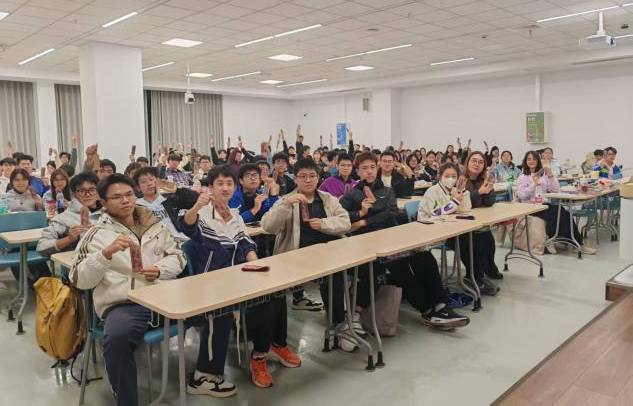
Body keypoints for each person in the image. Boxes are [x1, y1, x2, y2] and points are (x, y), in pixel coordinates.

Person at [179, 165, 300, 390]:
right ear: (210, 187)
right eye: (220, 184)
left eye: (229, 184)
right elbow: (187, 226)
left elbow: (245, 243)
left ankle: (273, 346)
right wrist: (196, 206)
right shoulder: (202, 214)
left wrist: (257, 266)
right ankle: (207, 375)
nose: (225, 188)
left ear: (235, 187)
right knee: (229, 310)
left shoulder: (234, 214)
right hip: (213, 282)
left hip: (239, 276)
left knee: (275, 290)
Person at [70, 174, 186, 406]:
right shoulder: (96, 234)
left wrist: (160, 269)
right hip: (124, 305)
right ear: (104, 202)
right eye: (116, 197)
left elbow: (178, 256)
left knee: (212, 309)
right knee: (117, 339)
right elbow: (78, 279)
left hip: (161, 296)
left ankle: (206, 375)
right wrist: (105, 255)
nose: (125, 200)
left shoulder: (155, 225)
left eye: (129, 194)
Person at [340, 153, 469, 330]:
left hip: (392, 238)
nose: (369, 171)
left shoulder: (386, 191)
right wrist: (360, 213)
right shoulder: (352, 194)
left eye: (372, 167)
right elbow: (342, 218)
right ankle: (427, 311)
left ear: (377, 168)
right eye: (364, 168)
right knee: (400, 269)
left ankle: (441, 306)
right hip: (368, 244)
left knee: (425, 257)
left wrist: (363, 222)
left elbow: (391, 214)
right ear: (358, 171)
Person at [261, 158, 357, 349]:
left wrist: (324, 224)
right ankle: (275, 341)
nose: (308, 180)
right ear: (295, 179)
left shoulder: (328, 199)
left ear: (318, 177)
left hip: (327, 254)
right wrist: (286, 205)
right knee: (275, 293)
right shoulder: (286, 200)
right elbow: (269, 226)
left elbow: (345, 222)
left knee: (336, 277)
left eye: (312, 176)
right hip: (295, 257)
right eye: (303, 176)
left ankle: (338, 325)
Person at [516, 151, 596, 255]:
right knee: (557, 213)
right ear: (525, 161)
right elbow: (522, 195)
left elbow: (555, 190)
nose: (532, 161)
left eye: (534, 159)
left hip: (542, 205)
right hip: (530, 207)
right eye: (529, 159)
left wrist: (549, 173)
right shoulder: (522, 177)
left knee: (565, 213)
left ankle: (577, 243)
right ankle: (551, 240)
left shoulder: (543, 176)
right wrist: (534, 184)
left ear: (538, 161)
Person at [456, 151, 502, 291]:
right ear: (467, 162)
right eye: (474, 161)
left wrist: (488, 190)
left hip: (476, 223)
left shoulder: (484, 180)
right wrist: (479, 193)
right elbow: (462, 204)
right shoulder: (461, 180)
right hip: (459, 226)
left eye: (481, 162)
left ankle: (489, 268)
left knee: (488, 240)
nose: (477, 164)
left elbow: (489, 202)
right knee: (474, 243)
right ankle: (474, 276)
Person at [37, 172, 102, 257]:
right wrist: (69, 239)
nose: (88, 194)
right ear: (75, 194)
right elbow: (41, 248)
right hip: (80, 261)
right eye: (82, 191)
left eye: (92, 190)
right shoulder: (63, 219)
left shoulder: (109, 212)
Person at [134, 167, 196, 242]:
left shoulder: (169, 201)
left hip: (181, 239)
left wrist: (176, 190)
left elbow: (195, 199)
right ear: (138, 188)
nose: (149, 184)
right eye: (143, 182)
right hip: (158, 243)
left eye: (151, 179)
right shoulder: (137, 206)